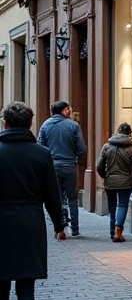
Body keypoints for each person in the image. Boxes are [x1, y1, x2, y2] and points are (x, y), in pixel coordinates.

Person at [0, 101, 66, 300]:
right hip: (29, 224)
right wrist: (59, 224)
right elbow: (52, 194)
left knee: (0, 291)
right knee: (26, 289)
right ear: (30, 124)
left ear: (4, 124)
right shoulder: (41, 154)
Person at [37, 100, 87, 237]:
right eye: (68, 109)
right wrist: (81, 162)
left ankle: (60, 228)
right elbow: (81, 148)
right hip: (70, 165)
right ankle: (75, 228)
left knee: (57, 197)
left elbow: (40, 146)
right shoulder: (73, 125)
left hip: (52, 166)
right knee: (72, 198)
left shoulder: (45, 125)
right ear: (64, 110)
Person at [96, 123, 132, 243]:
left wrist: (105, 176)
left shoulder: (107, 146)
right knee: (122, 205)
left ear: (117, 132)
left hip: (110, 181)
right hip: (126, 182)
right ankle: (118, 231)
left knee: (112, 207)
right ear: (129, 133)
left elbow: (99, 165)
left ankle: (113, 232)